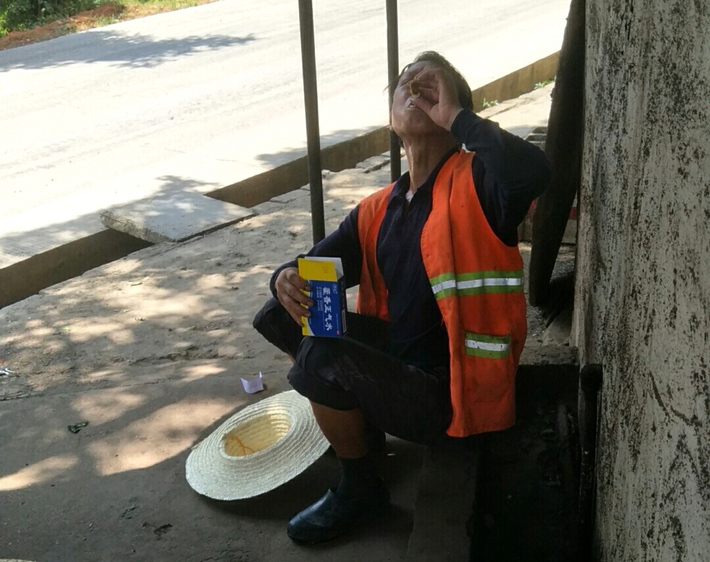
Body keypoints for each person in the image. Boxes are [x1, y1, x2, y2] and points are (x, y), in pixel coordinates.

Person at [253, 51, 551, 544]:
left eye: (432, 85)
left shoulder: (479, 183)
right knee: (278, 315)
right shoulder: (378, 208)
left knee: (322, 354)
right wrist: (283, 278)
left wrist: (457, 118)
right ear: (391, 118)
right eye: (404, 84)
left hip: (453, 393)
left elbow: (533, 172)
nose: (415, 88)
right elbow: (312, 267)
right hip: (400, 360)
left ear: (453, 109)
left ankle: (361, 489)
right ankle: (359, 433)